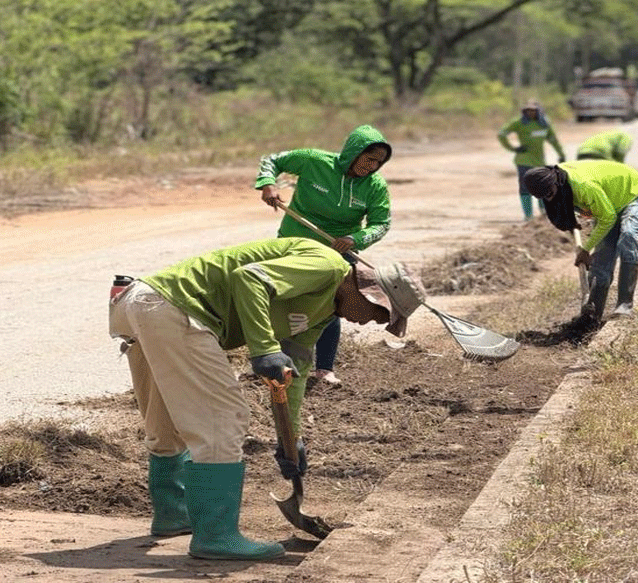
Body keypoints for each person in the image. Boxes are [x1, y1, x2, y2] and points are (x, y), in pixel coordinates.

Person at [108, 238, 424, 560]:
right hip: (175, 308)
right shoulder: (327, 266)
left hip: (145, 305)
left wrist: (292, 435)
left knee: (166, 421)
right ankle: (217, 537)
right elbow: (250, 278)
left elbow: (295, 370)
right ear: (367, 291)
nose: (374, 322)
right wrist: (265, 349)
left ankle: (173, 515)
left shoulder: (323, 311)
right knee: (223, 418)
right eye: (380, 313)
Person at [256, 125, 393, 388]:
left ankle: (324, 369)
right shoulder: (315, 161)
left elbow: (381, 223)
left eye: (378, 162)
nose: (372, 166)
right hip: (295, 243)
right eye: (369, 158)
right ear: (353, 152)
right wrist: (268, 184)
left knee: (329, 307)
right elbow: (272, 160)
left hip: (337, 252)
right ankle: (272, 363)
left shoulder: (374, 186)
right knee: (283, 299)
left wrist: (356, 239)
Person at [523, 160, 638, 322]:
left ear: (555, 183)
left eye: (549, 194)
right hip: (609, 203)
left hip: (636, 194)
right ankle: (592, 314)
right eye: (543, 197)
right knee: (601, 259)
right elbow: (596, 213)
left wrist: (585, 249)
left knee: (628, 236)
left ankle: (625, 305)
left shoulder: (583, 186)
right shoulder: (556, 180)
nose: (548, 199)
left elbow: (607, 218)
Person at [498, 99, 566, 220]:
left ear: (539, 111)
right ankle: (528, 216)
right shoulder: (519, 123)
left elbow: (553, 140)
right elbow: (502, 134)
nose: (531, 113)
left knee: (543, 186)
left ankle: (544, 212)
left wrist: (561, 154)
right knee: (525, 187)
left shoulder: (544, 124)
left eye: (533, 110)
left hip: (539, 161)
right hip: (523, 161)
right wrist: (513, 148)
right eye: (528, 110)